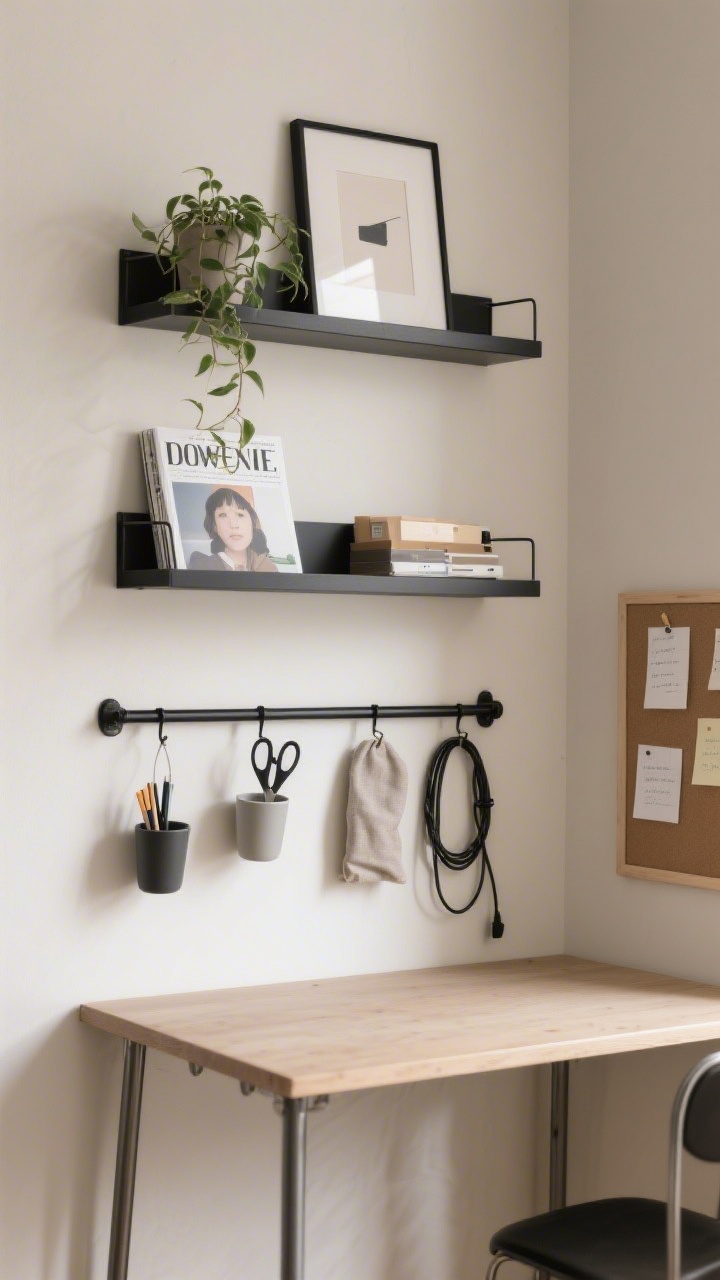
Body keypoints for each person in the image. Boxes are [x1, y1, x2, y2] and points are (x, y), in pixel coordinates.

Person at [188, 488, 278, 572]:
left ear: (252, 523)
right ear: (215, 526)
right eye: (223, 515)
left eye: (240, 514)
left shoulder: (268, 567)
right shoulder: (201, 567)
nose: (233, 525)